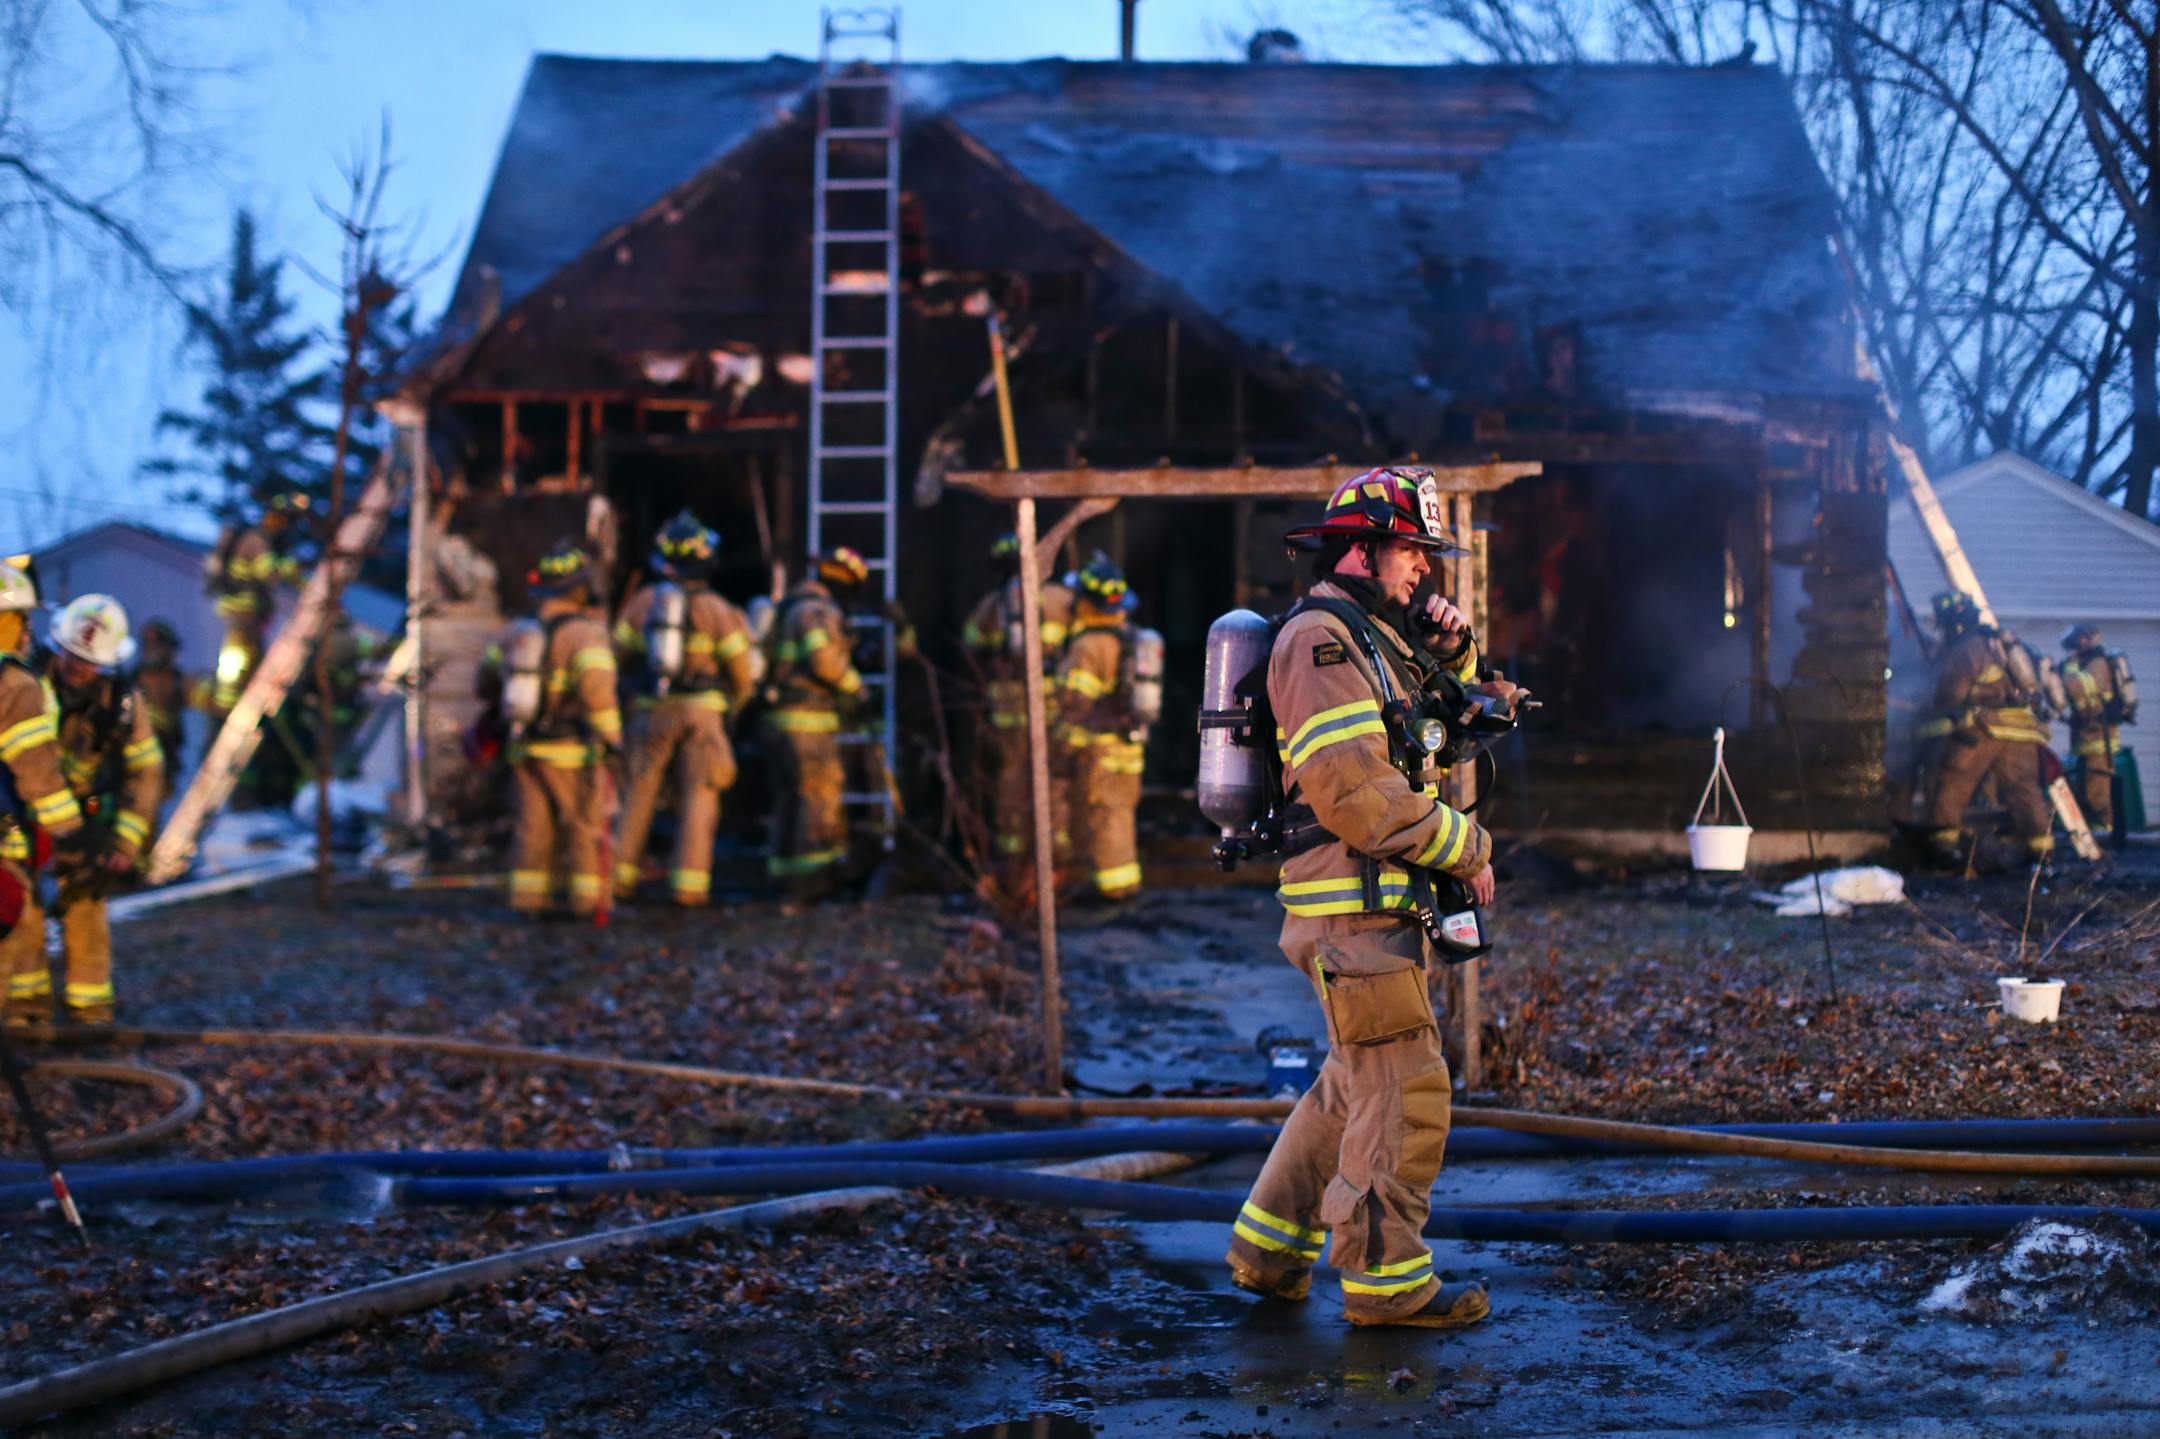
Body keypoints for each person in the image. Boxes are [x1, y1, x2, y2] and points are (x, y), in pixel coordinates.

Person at [1224, 466, 1498, 1330]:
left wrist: (1454, 651)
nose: (1423, 568)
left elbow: (1445, 720)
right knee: (1405, 1081)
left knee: (1351, 1082)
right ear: (1360, 548)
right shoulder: (1321, 641)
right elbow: (1354, 792)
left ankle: (1267, 1254)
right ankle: (1388, 1286)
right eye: (1411, 552)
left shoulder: (1371, 635)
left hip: (1368, 901)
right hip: (1353, 907)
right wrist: (1467, 844)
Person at [0, 595, 162, 1025]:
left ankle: (90, 1009)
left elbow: (145, 773)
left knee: (86, 898)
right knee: (23, 906)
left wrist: (123, 840)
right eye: (72, 656)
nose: (79, 668)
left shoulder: (124, 705)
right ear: (57, 646)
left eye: (91, 662)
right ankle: (25, 1009)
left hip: (87, 820)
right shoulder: (27, 682)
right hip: (25, 814)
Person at [612, 511, 759, 906]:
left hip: (651, 710)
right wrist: (733, 707)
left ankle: (617, 881)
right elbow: (742, 672)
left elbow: (616, 656)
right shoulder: (718, 609)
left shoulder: (643, 603)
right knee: (700, 797)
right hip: (702, 714)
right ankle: (688, 888)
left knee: (636, 795)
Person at [493, 542, 621, 917]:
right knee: (583, 826)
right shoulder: (585, 634)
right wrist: (613, 739)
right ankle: (585, 903)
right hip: (571, 750)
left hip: (524, 746)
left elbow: (484, 683)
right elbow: (597, 692)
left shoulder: (516, 630)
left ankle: (529, 901)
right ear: (579, 587)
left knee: (532, 827)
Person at [0, 566, 85, 1023]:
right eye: (21, 619)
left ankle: (22, 1024)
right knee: (12, 938)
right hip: (4, 845)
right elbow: (37, 776)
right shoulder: (16, 686)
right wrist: (71, 833)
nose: (28, 631)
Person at [762, 547, 870, 901]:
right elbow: (823, 661)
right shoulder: (816, 612)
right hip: (807, 723)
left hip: (781, 721)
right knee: (817, 800)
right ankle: (811, 884)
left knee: (789, 800)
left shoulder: (789, 607)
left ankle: (782, 876)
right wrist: (858, 688)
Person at [1916, 592, 2053, 868]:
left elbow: (1951, 695)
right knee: (2024, 790)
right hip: (2022, 730)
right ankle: (2041, 853)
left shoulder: (1967, 648)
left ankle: (1945, 849)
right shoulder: (1994, 643)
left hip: (1983, 729)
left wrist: (1931, 705)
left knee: (1953, 783)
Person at [1056, 554, 1146, 902]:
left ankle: (1115, 893)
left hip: (1100, 749)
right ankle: (1121, 886)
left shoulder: (1088, 645)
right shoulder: (1131, 637)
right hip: (1128, 747)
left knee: (1105, 818)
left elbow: (1074, 704)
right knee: (1119, 813)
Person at [206, 491, 308, 717]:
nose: (284, 526)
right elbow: (268, 572)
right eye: (282, 519)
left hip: (252, 614)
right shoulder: (256, 539)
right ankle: (226, 709)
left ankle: (247, 706)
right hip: (241, 612)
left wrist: (307, 584)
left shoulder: (268, 542)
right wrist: (291, 568)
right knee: (236, 659)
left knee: (253, 661)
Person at [2059, 624, 2127, 835]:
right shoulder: (2088, 663)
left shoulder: (2098, 663)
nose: (2072, 654)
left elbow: (2077, 687)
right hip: (2087, 735)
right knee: (2084, 787)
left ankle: (2104, 834)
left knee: (2096, 788)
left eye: (2074, 648)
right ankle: (2093, 830)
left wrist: (2068, 668)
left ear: (2086, 641)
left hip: (2099, 736)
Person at [133, 619, 187, 780]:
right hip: (133, 762)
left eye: (157, 644)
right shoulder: (129, 683)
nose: (152, 650)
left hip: (167, 762)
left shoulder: (182, 684)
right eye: (148, 644)